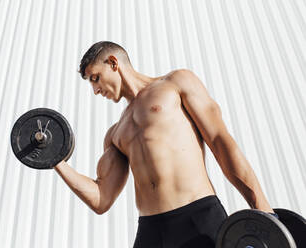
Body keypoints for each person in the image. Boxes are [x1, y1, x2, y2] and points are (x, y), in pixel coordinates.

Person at [54, 41, 276, 247]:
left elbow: (220, 142)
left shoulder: (176, 83)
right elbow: (101, 199)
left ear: (113, 63)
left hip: (198, 217)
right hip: (151, 230)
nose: (95, 90)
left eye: (95, 78)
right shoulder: (114, 134)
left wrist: (264, 212)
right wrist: (56, 161)